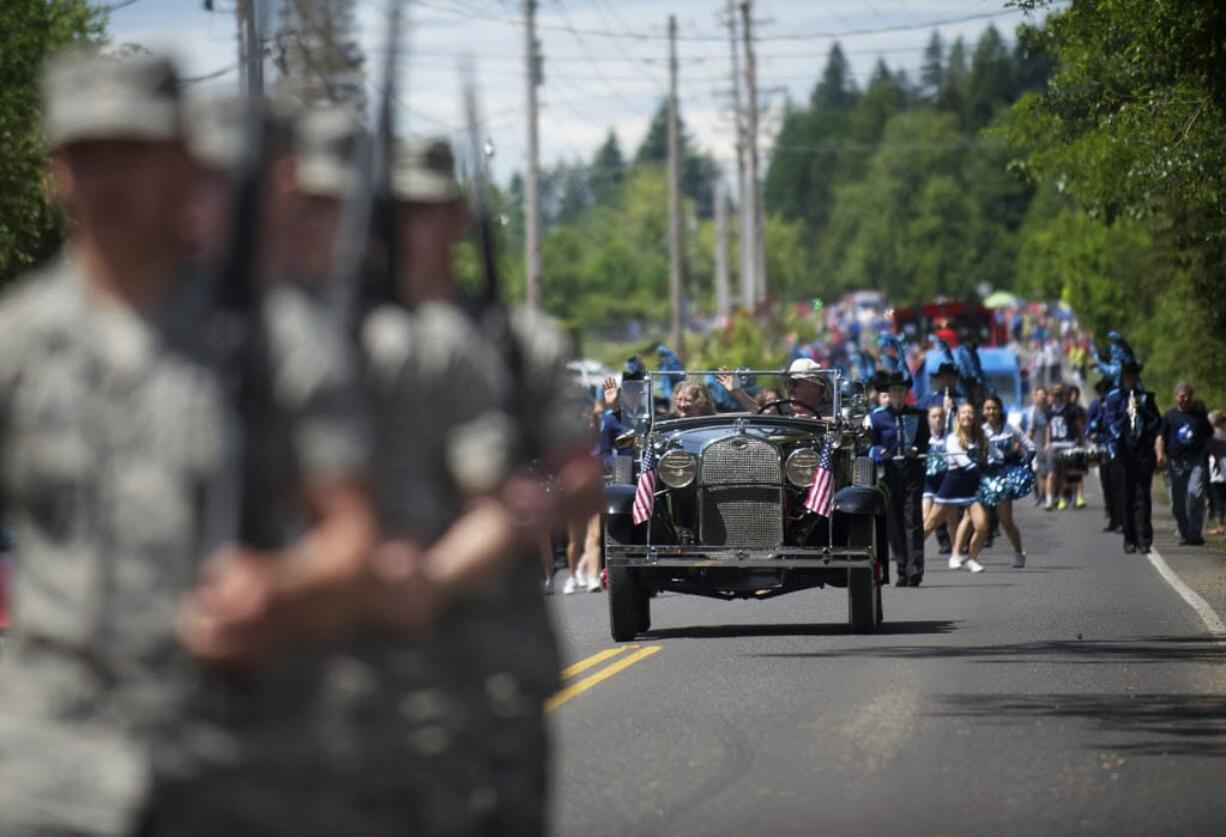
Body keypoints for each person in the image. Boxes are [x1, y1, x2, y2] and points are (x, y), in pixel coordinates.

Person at [0, 53, 376, 836]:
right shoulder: (19, 342)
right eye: (85, 155)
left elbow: (352, 533)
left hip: (228, 757)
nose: (109, 180)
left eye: (132, 153)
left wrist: (278, 583)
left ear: (180, 163)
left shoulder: (272, 341)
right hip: (50, 765)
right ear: (55, 172)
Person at [351, 136, 601, 835]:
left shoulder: (516, 340)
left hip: (496, 658)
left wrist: (537, 505)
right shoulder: (340, 336)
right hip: (370, 664)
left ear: (459, 218)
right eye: (396, 212)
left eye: (427, 210)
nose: (412, 228)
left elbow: (582, 472)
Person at [869, 370, 930, 587]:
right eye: (894, 390)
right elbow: (871, 444)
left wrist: (916, 448)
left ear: (906, 393)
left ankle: (916, 570)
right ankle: (902, 568)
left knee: (912, 519)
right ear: (888, 393)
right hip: (889, 475)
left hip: (912, 473)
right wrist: (880, 452)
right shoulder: (878, 418)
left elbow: (925, 440)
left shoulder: (918, 415)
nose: (897, 394)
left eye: (901, 390)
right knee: (893, 522)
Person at [961, 394, 1035, 568]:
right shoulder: (980, 431)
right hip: (985, 478)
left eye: (994, 408)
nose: (991, 412)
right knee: (980, 521)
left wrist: (1023, 463)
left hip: (1004, 479)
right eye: (987, 408)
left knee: (1006, 520)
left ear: (1000, 409)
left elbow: (1030, 447)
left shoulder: (1011, 428)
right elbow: (972, 451)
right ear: (983, 412)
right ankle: (971, 556)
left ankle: (1018, 552)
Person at [1103, 360, 1163, 554]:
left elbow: (1157, 425)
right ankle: (1129, 539)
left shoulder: (1146, 397)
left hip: (1143, 452)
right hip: (1123, 454)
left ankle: (1144, 539)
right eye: (1126, 377)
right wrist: (1125, 414)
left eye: (1133, 377)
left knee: (1143, 497)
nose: (1130, 380)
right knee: (1126, 497)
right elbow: (1110, 427)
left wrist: (1142, 410)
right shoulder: (1114, 398)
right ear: (1122, 378)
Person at [925, 402, 990, 573]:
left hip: (971, 487)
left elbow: (994, 455)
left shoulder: (980, 437)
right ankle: (912, 553)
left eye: (970, 412)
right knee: (930, 523)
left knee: (982, 525)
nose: (967, 416)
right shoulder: (952, 439)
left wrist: (1006, 460)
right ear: (958, 418)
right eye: (963, 413)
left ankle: (972, 558)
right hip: (953, 484)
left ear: (975, 417)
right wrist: (981, 470)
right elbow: (963, 461)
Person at [1156, 382, 1214, 546]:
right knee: (1177, 502)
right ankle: (1183, 531)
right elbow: (1160, 438)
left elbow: (1208, 437)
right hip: (1175, 463)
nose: (1185, 399)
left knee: (1196, 494)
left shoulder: (1199, 416)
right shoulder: (1169, 417)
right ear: (1176, 397)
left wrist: (1214, 457)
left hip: (1196, 461)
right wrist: (1160, 457)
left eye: (1188, 395)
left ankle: (1194, 533)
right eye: (1182, 396)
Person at [1087, 377, 1121, 532]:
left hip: (1119, 449)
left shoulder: (1120, 404)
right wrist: (1095, 436)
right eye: (1103, 391)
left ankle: (1123, 519)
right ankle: (1113, 518)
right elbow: (1089, 430)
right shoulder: (1095, 406)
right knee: (1107, 485)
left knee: (1119, 485)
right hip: (1103, 449)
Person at [1043, 384, 1081, 511]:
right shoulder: (1048, 411)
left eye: (1056, 396)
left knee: (1071, 473)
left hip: (1069, 444)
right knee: (1052, 473)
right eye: (1052, 396)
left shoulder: (1070, 410)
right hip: (1054, 445)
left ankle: (1074, 497)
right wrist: (1047, 442)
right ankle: (1049, 499)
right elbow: (1048, 427)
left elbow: (1078, 426)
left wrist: (1080, 441)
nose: (1053, 398)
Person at [1208, 411, 1226, 536]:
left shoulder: (1213, 435)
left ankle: (1220, 526)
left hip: (1218, 468)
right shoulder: (1224, 434)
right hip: (1221, 468)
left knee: (1218, 497)